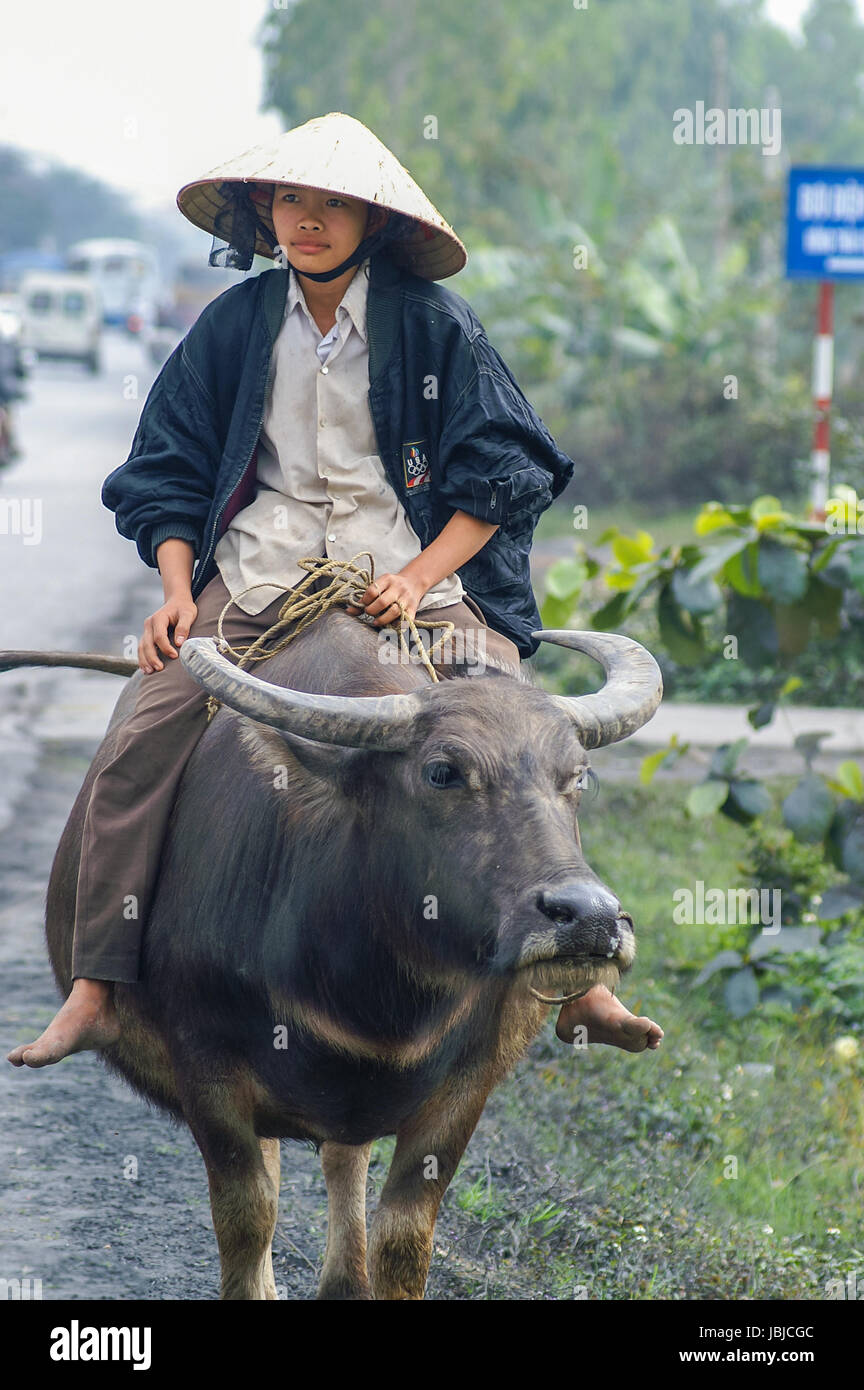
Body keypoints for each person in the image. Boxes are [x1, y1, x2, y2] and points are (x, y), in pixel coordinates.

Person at [8, 112, 661, 1069]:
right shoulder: (234, 324)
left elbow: (501, 476)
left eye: (330, 204)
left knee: (524, 738)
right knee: (139, 735)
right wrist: (179, 593)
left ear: (372, 223)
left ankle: (580, 977)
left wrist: (417, 578)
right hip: (262, 577)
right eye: (289, 201)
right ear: (262, 216)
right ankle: (101, 984)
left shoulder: (432, 326)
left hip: (409, 579)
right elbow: (169, 471)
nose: (305, 219)